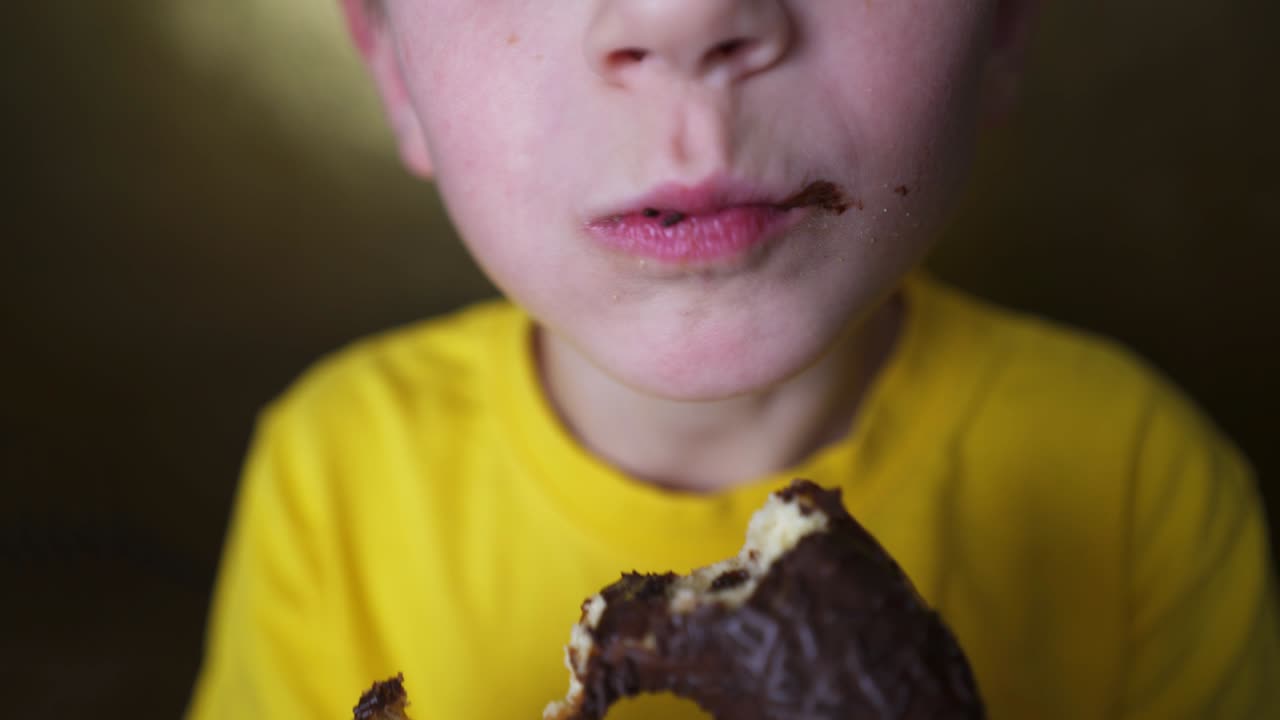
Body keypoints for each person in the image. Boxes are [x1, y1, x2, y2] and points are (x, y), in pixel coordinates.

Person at [186, 1, 1280, 718]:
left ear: (999, 26)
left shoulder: (1137, 481)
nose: (682, 15)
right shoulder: (332, 479)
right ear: (394, 75)